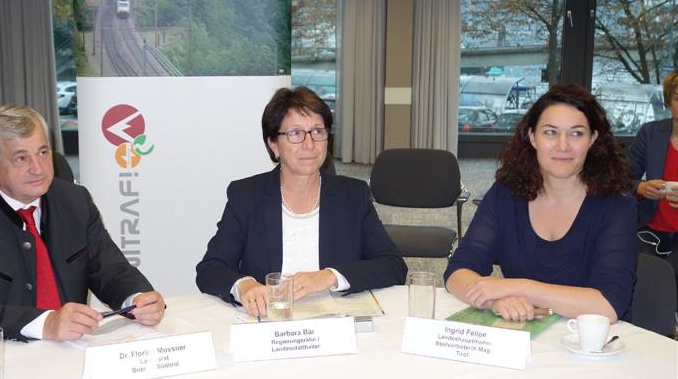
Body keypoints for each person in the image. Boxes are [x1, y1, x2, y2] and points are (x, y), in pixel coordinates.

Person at [0, 105, 165, 362]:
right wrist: (47, 323)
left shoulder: (75, 200)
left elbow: (109, 268)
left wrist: (136, 298)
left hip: (67, 351)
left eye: (43, 153)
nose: (38, 168)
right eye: (21, 158)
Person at [196, 86, 407, 316]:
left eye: (317, 131)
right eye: (295, 133)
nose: (309, 144)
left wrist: (329, 276)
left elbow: (392, 266)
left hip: (334, 320)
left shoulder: (352, 195)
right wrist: (245, 285)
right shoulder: (247, 195)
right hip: (271, 319)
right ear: (273, 144)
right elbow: (210, 269)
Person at [444, 84, 637, 323]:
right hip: (525, 331)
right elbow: (457, 271)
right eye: (550, 132)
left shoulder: (616, 206)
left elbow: (608, 304)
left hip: (591, 339)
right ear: (533, 137)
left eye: (576, 133)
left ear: (592, 139)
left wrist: (517, 287)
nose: (563, 146)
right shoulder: (506, 194)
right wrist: (495, 301)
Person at [628, 70, 678, 284]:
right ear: (668, 102)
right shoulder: (650, 133)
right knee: (643, 284)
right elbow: (621, 179)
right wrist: (640, 187)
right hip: (649, 230)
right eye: (677, 98)